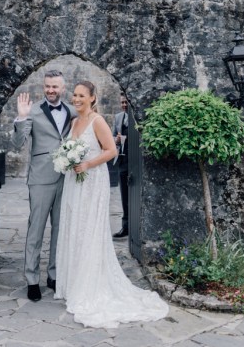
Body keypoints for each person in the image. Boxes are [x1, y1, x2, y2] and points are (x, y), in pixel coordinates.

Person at [55, 81, 169, 328]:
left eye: (81, 95)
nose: (76, 99)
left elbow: (111, 151)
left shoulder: (98, 121)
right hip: (75, 181)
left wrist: (86, 164)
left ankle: (91, 284)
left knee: (89, 230)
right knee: (76, 228)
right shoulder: (74, 123)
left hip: (92, 180)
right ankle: (75, 282)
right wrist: (67, 159)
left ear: (93, 98)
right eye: (74, 95)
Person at [11, 70, 76, 302]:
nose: (50, 90)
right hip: (40, 178)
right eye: (47, 86)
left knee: (60, 228)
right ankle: (31, 279)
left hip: (66, 178)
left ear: (63, 89)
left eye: (55, 87)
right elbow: (18, 144)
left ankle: (54, 275)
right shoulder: (33, 110)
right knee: (35, 230)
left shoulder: (72, 110)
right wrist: (21, 118)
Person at [112, 93, 129, 238]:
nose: (124, 105)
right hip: (122, 160)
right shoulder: (118, 117)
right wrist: (116, 140)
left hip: (135, 162)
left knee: (134, 195)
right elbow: (111, 137)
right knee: (123, 195)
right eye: (122, 102)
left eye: (126, 102)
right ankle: (125, 226)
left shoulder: (137, 116)